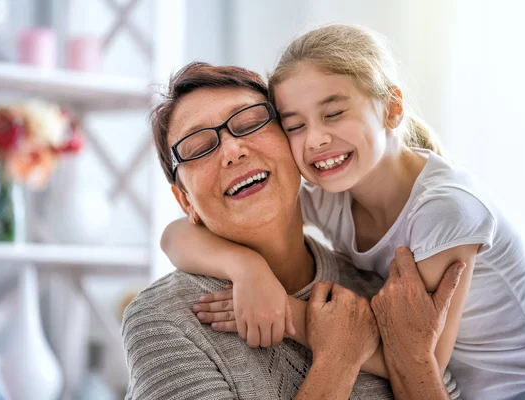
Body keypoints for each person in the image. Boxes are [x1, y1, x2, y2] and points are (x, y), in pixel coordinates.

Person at [162, 25, 525, 399]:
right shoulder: (334, 192)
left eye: (333, 113)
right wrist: (246, 269)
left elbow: (420, 361)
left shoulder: (446, 212)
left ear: (392, 108)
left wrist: (289, 314)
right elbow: (174, 235)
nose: (316, 138)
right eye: (295, 125)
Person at [122, 62, 462, 399]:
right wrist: (337, 359)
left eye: (251, 122)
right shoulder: (163, 320)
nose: (232, 150)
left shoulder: (381, 291)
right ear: (185, 202)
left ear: (294, 141)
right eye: (198, 148)